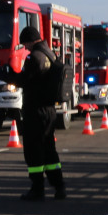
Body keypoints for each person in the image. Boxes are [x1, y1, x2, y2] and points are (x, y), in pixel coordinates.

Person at [8, 25, 65, 201]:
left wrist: (9, 76)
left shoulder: (36, 57)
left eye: (25, 44)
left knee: (33, 150)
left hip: (36, 110)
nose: (25, 47)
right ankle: (59, 187)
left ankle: (37, 189)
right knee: (49, 150)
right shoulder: (50, 53)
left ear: (32, 40)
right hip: (48, 110)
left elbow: (27, 79)